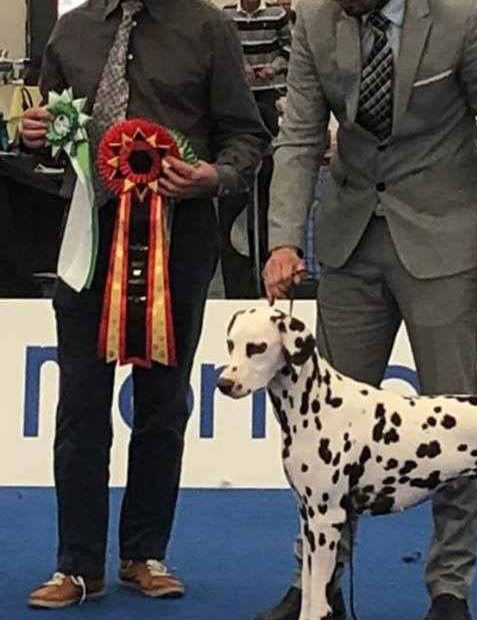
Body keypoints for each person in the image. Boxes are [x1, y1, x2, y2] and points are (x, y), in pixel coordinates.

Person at [261, 1, 477, 620]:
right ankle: (317, 586)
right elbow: (299, 135)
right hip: (348, 238)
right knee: (324, 432)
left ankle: (449, 588)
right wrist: (284, 239)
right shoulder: (315, 20)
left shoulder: (466, 16)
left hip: (447, 239)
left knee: (459, 425)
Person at [19, 0, 269, 608]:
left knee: (162, 404)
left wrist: (215, 175)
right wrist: (35, 135)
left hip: (177, 242)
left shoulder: (208, 28)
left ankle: (145, 554)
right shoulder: (71, 31)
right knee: (79, 407)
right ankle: (77, 565)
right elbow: (54, 139)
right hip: (88, 240)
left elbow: (249, 135)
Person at [220, 0, 292, 298]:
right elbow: (222, 56)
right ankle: (237, 289)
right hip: (236, 109)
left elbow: (290, 50)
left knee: (267, 199)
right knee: (233, 207)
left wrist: (271, 68)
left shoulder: (277, 14)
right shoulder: (225, 16)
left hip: (269, 105)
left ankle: (271, 279)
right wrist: (241, 69)